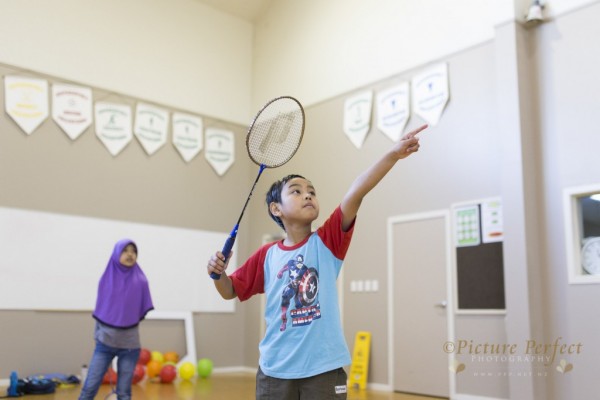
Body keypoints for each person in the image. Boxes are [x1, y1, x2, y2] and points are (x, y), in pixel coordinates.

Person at [207, 124, 427, 399]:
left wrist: (392, 155)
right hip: (275, 370)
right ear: (276, 209)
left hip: (324, 370)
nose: (308, 194)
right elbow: (230, 290)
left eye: (311, 190)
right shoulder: (267, 255)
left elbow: (356, 193)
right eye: (296, 191)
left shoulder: (327, 241)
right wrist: (218, 274)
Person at [79, 239, 154, 400]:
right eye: (125, 250)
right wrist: (98, 337)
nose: (129, 254)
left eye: (133, 251)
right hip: (104, 344)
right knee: (89, 388)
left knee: (124, 393)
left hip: (130, 347)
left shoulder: (141, 281)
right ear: (116, 254)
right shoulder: (106, 280)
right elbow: (100, 311)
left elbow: (139, 313)